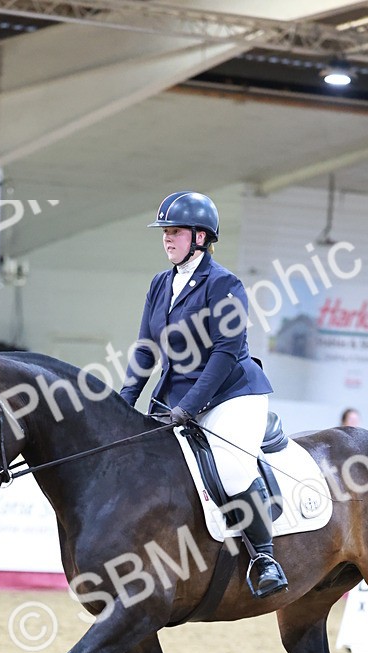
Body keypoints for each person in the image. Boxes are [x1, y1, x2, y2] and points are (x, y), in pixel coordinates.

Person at [120, 190, 287, 598]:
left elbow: (225, 353)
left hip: (231, 393)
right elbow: (146, 349)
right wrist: (123, 402)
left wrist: (189, 407)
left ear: (200, 237)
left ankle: (264, 558)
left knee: (231, 469)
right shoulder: (160, 284)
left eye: (175, 231)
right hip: (175, 397)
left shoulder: (224, 284)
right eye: (164, 232)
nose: (167, 238)